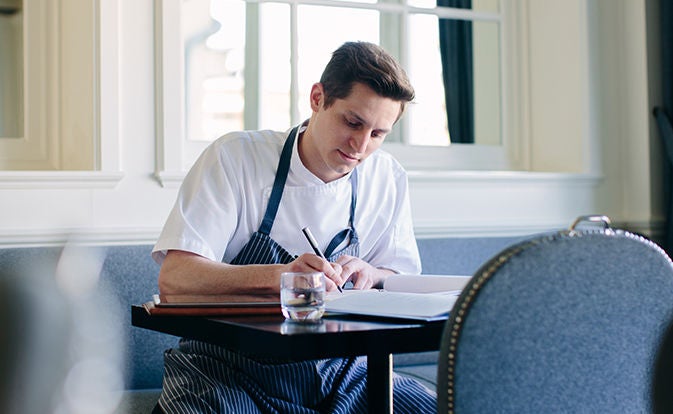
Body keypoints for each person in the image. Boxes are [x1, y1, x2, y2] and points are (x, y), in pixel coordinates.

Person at [151, 41, 436, 413]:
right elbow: (176, 278)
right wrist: (281, 277)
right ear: (317, 98)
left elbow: (397, 276)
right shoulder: (236, 158)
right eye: (353, 122)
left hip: (345, 373)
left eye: (378, 134)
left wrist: (371, 272)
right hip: (227, 372)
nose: (361, 145)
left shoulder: (388, 178)